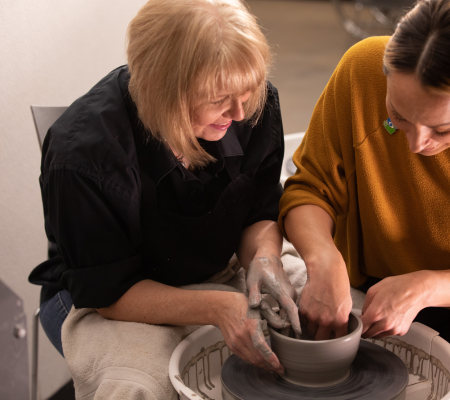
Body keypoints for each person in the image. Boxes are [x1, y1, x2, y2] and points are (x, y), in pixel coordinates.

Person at [279, 0, 450, 399]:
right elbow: (310, 188)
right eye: (398, 117)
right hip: (370, 280)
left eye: (442, 129)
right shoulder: (361, 72)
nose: (416, 144)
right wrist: (323, 259)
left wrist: (425, 287)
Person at [29, 0, 301, 394]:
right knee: (142, 385)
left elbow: (259, 210)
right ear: (162, 87)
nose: (240, 113)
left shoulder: (251, 107)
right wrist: (217, 308)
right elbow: (109, 292)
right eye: (220, 98)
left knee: (321, 306)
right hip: (111, 300)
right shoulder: (83, 155)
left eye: (248, 91)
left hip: (222, 267)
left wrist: (264, 257)